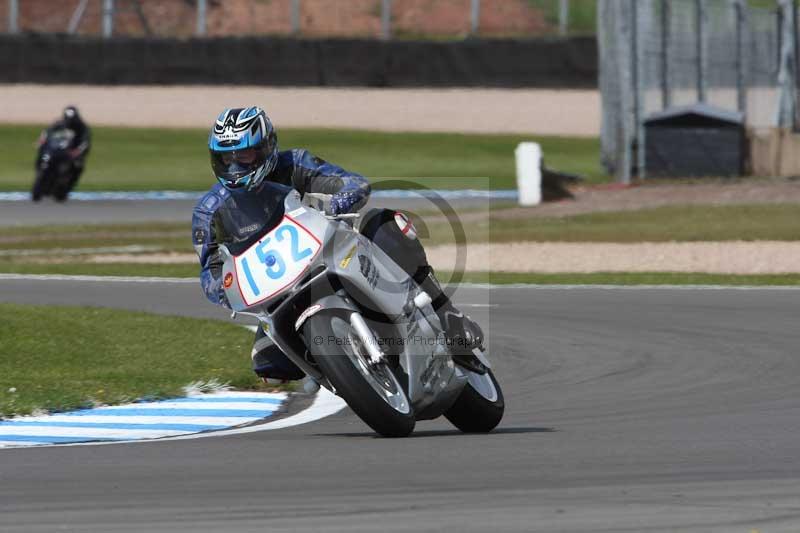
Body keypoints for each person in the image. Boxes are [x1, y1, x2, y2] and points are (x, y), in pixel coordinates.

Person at [192, 107, 483, 383]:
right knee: (267, 362)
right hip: (277, 290)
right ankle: (345, 373)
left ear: (266, 147)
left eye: (242, 155)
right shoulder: (209, 210)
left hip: (328, 255)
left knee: (382, 223)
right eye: (224, 158)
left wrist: (346, 194)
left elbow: (349, 181)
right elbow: (210, 269)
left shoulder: (293, 163)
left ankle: (446, 312)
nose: (233, 166)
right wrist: (222, 286)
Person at [36, 106, 91, 191]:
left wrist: (77, 151)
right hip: (58, 148)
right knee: (44, 157)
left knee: (78, 165)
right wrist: (42, 141)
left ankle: (70, 183)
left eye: (71, 120)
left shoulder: (82, 128)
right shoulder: (59, 123)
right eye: (68, 119)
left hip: (74, 151)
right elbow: (47, 132)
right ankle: (43, 175)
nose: (69, 122)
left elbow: (85, 142)